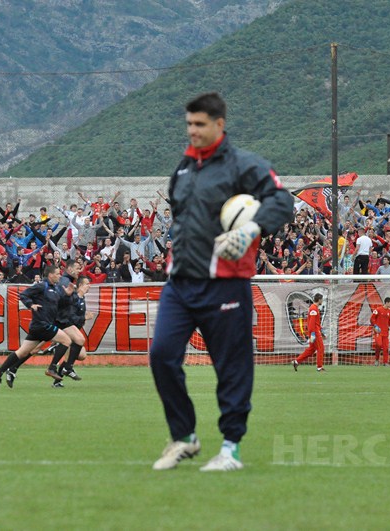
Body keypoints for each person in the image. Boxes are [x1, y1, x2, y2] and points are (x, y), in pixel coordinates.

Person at [149, 92, 294, 472]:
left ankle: (230, 448)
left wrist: (252, 231)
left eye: (199, 124)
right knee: (162, 355)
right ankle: (184, 437)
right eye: (189, 124)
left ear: (219, 125)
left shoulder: (244, 166)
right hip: (179, 283)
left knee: (231, 367)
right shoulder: (183, 168)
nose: (192, 131)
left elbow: (282, 200)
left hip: (225, 284)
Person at [0, 264, 75, 389]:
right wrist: (31, 305)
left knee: (22, 352)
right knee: (67, 340)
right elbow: (23, 295)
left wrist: (67, 294)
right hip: (42, 324)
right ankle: (52, 368)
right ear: (50, 275)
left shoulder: (56, 288)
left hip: (38, 326)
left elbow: (59, 303)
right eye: (57, 273)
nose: (59, 275)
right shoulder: (42, 286)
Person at [291, 293, 325, 372]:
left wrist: (322, 331)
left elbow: (316, 323)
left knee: (312, 349)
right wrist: (313, 334)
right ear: (319, 300)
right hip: (314, 332)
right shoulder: (313, 309)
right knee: (321, 348)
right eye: (322, 299)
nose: (322, 301)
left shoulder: (314, 308)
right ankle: (319, 368)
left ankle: (296, 362)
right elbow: (311, 323)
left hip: (315, 331)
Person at [370, 297, 390, 366]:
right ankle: (377, 360)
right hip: (378, 332)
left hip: (386, 332)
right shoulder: (378, 310)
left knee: (386, 347)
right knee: (379, 345)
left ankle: (385, 362)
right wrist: (375, 326)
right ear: (386, 302)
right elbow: (372, 319)